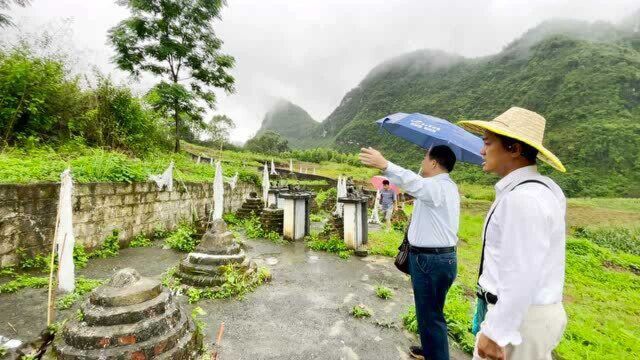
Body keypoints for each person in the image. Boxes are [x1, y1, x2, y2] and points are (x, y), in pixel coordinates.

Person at [459, 107, 567, 360]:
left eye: (487, 143)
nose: (482, 151)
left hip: (519, 320)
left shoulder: (524, 199)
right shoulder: (540, 190)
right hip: (522, 314)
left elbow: (522, 271)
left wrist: (496, 332)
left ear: (514, 149)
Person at [360, 145, 460, 360]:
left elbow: (413, 182)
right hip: (436, 259)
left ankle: (436, 355)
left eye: (425, 158)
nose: (423, 161)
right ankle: (432, 349)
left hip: (430, 260)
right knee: (430, 311)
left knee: (430, 315)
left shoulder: (437, 188)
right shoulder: (443, 187)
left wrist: (385, 165)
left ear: (434, 163)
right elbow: (415, 185)